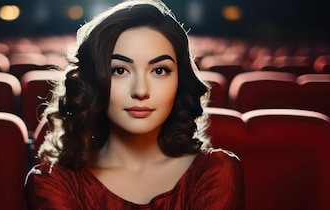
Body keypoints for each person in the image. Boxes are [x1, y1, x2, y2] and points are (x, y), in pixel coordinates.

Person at [24, 0, 244, 209]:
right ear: (93, 82)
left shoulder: (216, 172)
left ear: (180, 80)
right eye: (120, 70)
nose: (140, 91)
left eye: (159, 71)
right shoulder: (52, 183)